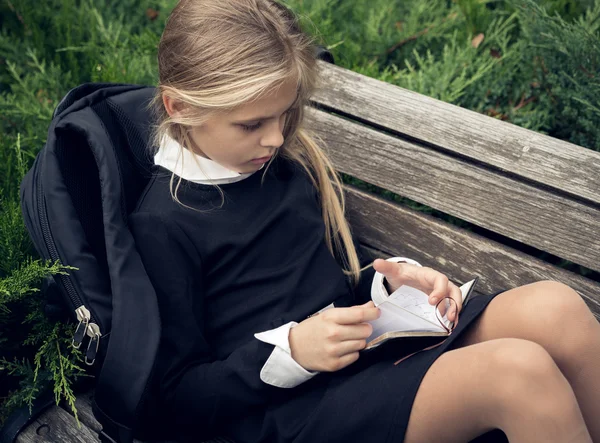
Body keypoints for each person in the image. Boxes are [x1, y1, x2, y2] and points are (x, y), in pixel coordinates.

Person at [128, 1, 600, 442]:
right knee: (517, 373)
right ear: (181, 108)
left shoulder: (278, 166)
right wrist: (292, 351)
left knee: (555, 308)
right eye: (252, 124)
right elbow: (176, 399)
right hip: (287, 409)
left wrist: (389, 286)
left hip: (363, 359)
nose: (275, 138)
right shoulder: (163, 222)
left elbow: (318, 288)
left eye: (286, 114)